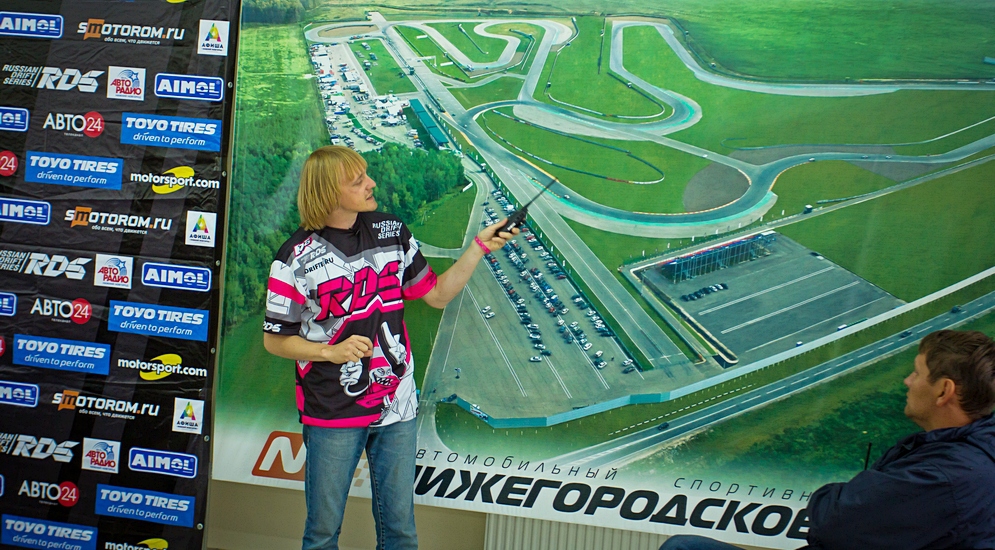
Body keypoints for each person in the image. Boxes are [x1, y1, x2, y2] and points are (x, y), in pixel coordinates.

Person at [262, 146, 517, 550]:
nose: (372, 183)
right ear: (329, 192)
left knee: (400, 533)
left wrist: (479, 248)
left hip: (398, 403)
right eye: (358, 180)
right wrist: (330, 352)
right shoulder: (293, 258)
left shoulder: (391, 231)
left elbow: (435, 295)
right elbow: (275, 340)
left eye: (366, 175)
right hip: (332, 409)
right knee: (323, 534)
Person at [660, 329, 995, 550]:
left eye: (918, 373)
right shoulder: (962, 455)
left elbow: (832, 520)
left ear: (944, 391)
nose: (907, 381)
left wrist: (838, 494)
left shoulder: (947, 476)